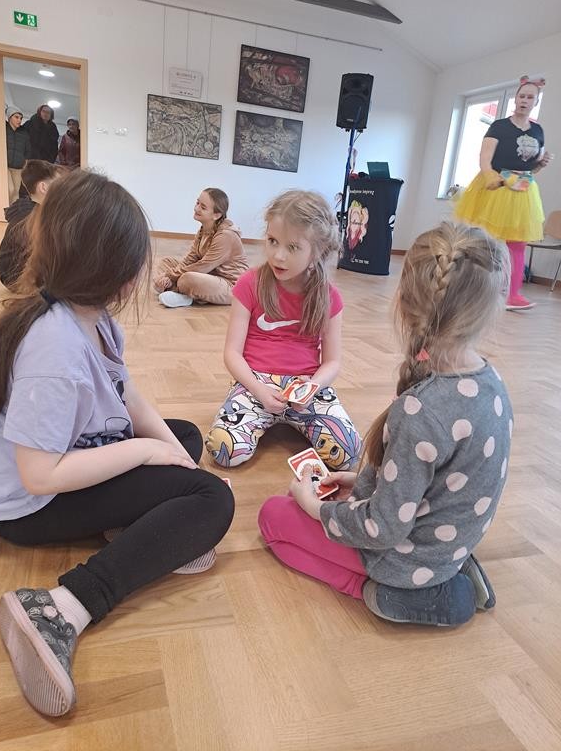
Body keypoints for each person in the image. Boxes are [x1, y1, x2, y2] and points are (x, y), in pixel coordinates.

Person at [0, 170, 234, 717]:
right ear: (114, 276)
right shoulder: (54, 351)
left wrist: (169, 451)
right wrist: (146, 454)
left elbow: (127, 393)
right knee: (213, 500)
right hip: (29, 504)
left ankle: (134, 526)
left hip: (65, 460)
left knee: (184, 436)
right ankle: (61, 607)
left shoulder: (89, 317)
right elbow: (38, 476)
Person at [259, 222, 512, 628]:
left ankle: (398, 593)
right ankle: (447, 570)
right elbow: (435, 480)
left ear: (405, 303)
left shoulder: (421, 410)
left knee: (273, 517)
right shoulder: (492, 382)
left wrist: (316, 508)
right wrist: (362, 482)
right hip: (450, 541)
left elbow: (382, 529)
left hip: (403, 556)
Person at [205, 190, 361, 470]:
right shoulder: (249, 283)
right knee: (223, 448)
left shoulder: (329, 297)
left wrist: (312, 387)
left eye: (293, 247)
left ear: (317, 251)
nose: (278, 255)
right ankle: (266, 417)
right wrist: (259, 390)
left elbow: (332, 362)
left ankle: (292, 420)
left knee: (348, 453)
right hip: (254, 382)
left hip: (307, 385)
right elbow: (232, 354)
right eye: (273, 241)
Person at [454, 75, 553, 310]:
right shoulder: (499, 126)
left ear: (536, 102)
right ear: (515, 99)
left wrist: (541, 164)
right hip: (497, 186)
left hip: (523, 191)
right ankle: (469, 289)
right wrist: (489, 175)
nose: (525, 100)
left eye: (530, 97)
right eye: (522, 96)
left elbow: (531, 167)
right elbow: (485, 158)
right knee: (484, 241)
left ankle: (512, 295)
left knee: (517, 244)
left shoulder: (538, 130)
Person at [154, 188, 248, 307]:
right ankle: (184, 294)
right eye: (197, 203)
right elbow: (191, 259)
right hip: (209, 276)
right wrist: (169, 275)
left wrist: (170, 276)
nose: (196, 208)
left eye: (203, 207)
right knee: (166, 262)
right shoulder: (204, 229)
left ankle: (180, 292)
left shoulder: (226, 235)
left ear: (217, 215)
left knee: (186, 279)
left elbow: (203, 266)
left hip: (231, 286)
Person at [0, 159, 64, 289]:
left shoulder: (29, 207)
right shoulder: (29, 216)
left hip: (14, 273)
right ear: (43, 187)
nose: (63, 190)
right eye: (59, 185)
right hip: (18, 278)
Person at [5, 106, 31, 204]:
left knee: (16, 192)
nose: (19, 120)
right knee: (10, 189)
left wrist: (25, 163)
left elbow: (28, 150)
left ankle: (12, 212)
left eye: (21, 118)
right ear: (9, 117)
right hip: (5, 166)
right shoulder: (3, 128)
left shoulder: (24, 132)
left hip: (18, 167)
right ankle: (2, 209)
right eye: (16, 117)